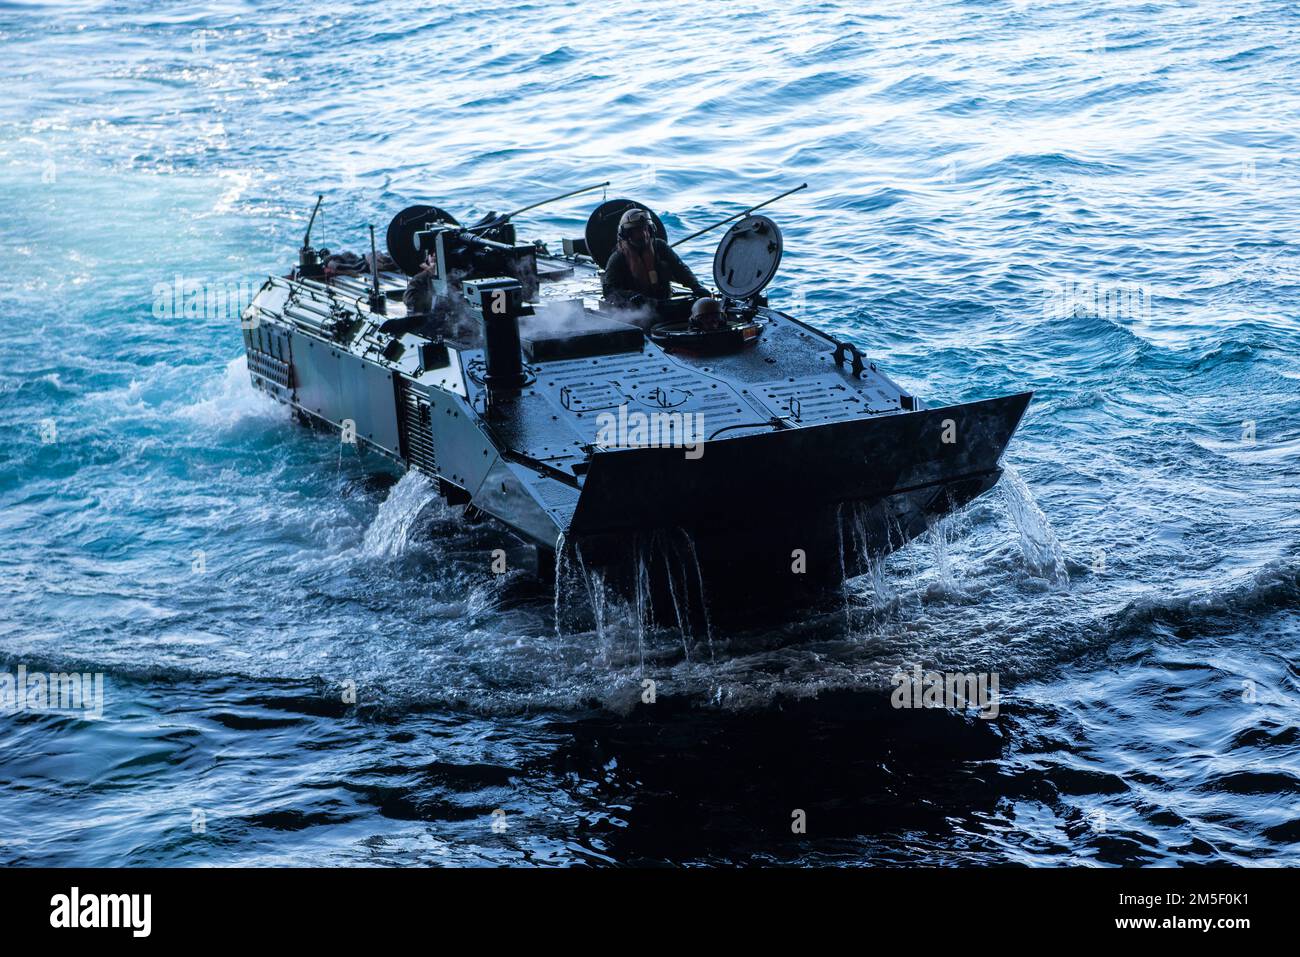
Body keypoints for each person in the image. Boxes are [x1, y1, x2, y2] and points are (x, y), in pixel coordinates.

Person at [601, 208, 710, 318]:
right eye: (637, 231)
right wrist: (631, 296)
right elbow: (609, 290)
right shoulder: (618, 257)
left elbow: (680, 269)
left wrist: (695, 286)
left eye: (645, 229)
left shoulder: (660, 247)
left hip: (662, 303)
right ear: (626, 234)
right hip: (634, 311)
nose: (644, 234)